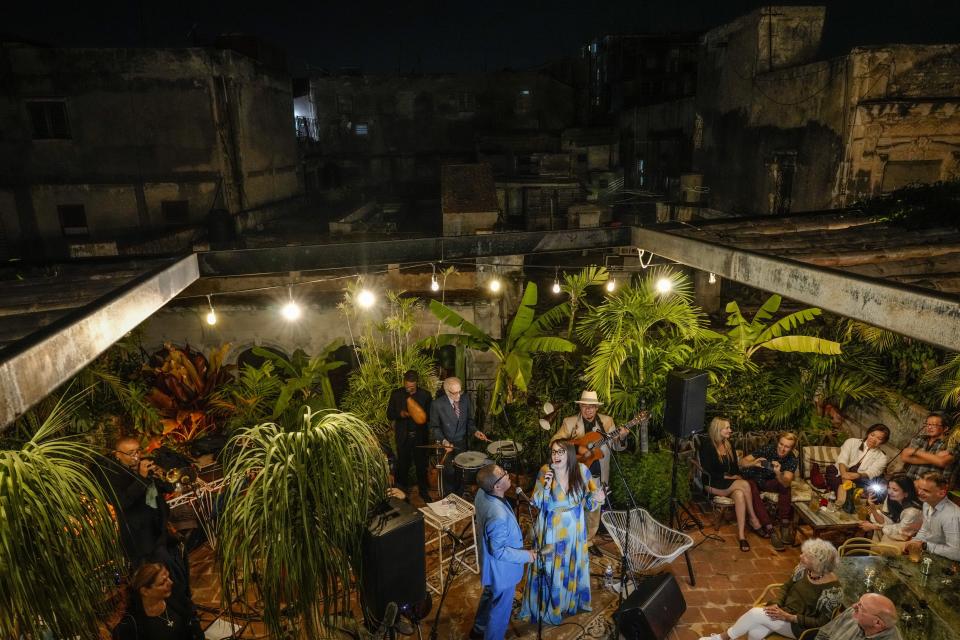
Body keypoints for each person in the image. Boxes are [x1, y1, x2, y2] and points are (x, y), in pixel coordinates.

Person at [518, 439, 604, 625]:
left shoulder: (582, 471)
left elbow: (590, 503)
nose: (555, 456)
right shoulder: (545, 471)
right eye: (553, 452)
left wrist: (597, 498)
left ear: (569, 454)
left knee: (571, 563)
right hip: (551, 529)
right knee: (551, 568)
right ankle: (550, 607)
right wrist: (547, 487)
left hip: (575, 528)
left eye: (560, 452)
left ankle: (570, 602)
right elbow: (537, 504)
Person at [699, 538, 842, 640]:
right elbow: (786, 587)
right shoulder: (802, 569)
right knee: (755, 632)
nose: (800, 556)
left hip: (799, 627)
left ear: (817, 563)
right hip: (782, 611)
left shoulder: (833, 592)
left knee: (755, 614)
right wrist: (777, 604)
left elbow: (821, 623)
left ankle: (722, 637)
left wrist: (789, 617)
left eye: (806, 556)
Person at [469, 464, 536, 640]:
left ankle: (477, 629)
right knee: (500, 612)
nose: (508, 475)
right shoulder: (498, 516)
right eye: (504, 474)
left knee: (489, 595)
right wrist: (526, 555)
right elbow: (498, 551)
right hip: (502, 569)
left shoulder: (482, 493)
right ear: (497, 486)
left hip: (490, 565)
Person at [551, 390, 628, 541]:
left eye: (592, 406)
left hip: (597, 475)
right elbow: (555, 443)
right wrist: (578, 448)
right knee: (574, 507)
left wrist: (622, 437)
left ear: (597, 408)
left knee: (594, 511)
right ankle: (571, 538)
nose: (588, 410)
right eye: (585, 406)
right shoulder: (570, 422)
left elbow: (616, 446)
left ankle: (588, 541)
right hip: (574, 473)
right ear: (580, 407)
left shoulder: (607, 422)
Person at [699, 417, 766, 552]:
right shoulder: (707, 446)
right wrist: (730, 477)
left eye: (730, 427)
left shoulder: (729, 444)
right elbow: (708, 471)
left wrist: (736, 476)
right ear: (718, 429)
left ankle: (741, 536)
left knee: (740, 494)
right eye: (727, 428)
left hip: (728, 483)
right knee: (745, 485)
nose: (730, 430)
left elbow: (735, 467)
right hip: (713, 483)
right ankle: (754, 519)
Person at [429, 376, 489, 497]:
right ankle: (450, 499)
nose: (458, 396)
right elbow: (434, 427)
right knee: (449, 473)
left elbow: (469, 421)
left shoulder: (465, 399)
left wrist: (475, 431)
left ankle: (459, 496)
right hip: (446, 444)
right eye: (454, 393)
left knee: (461, 472)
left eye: (459, 392)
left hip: (461, 443)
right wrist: (444, 441)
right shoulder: (437, 405)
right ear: (446, 391)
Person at [112, 563, 203, 640]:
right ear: (145, 591)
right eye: (163, 582)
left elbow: (191, 616)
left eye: (168, 577)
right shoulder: (131, 625)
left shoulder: (175, 595)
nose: (170, 582)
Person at [742, 431, 800, 549]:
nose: (782, 448)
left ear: (792, 448)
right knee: (751, 488)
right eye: (781, 444)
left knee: (785, 486)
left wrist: (778, 473)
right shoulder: (768, 449)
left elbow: (786, 481)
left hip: (768, 482)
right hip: (753, 479)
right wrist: (754, 463)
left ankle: (784, 525)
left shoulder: (792, 459)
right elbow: (742, 462)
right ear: (778, 442)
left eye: (787, 447)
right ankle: (770, 529)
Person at [386, 370, 433, 499]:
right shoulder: (396, 394)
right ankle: (402, 494)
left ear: (416, 383)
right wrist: (400, 415)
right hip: (403, 437)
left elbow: (429, 417)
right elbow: (389, 414)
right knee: (403, 466)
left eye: (412, 387)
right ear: (404, 382)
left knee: (421, 465)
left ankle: (423, 492)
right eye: (407, 386)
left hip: (419, 436)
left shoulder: (425, 395)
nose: (409, 389)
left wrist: (418, 414)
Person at [903, 471, 960, 561]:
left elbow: (956, 553)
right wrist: (914, 542)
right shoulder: (927, 503)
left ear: (941, 493)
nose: (919, 492)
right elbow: (925, 529)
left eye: (925, 490)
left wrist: (924, 545)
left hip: (948, 563)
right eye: (920, 488)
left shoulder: (951, 516)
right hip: (930, 555)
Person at [858, 474, 922, 548]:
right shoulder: (892, 500)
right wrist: (873, 508)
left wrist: (874, 527)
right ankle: (876, 554)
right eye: (889, 488)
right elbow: (885, 521)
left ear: (906, 493)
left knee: (879, 532)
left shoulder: (912, 512)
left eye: (895, 490)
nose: (890, 492)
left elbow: (901, 533)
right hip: (897, 531)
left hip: (910, 539)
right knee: (877, 514)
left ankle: (877, 553)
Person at [827, 425, 891, 494]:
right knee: (835, 479)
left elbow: (872, 472)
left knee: (864, 489)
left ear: (883, 442)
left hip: (858, 480)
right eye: (872, 435)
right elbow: (843, 460)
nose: (873, 439)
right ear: (868, 433)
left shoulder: (882, 457)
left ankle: (844, 496)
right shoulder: (851, 442)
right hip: (839, 472)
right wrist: (844, 476)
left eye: (879, 438)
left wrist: (858, 475)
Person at [814, 593, 901, 640]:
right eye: (858, 602)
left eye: (861, 607)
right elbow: (825, 633)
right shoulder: (852, 613)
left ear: (877, 623)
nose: (853, 606)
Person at [901, 413, 957, 481]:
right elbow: (904, 457)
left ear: (945, 428)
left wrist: (915, 452)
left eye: (934, 425)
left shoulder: (951, 444)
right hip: (907, 481)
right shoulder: (919, 439)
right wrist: (935, 457)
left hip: (928, 487)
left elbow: (942, 462)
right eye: (928, 424)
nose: (929, 427)